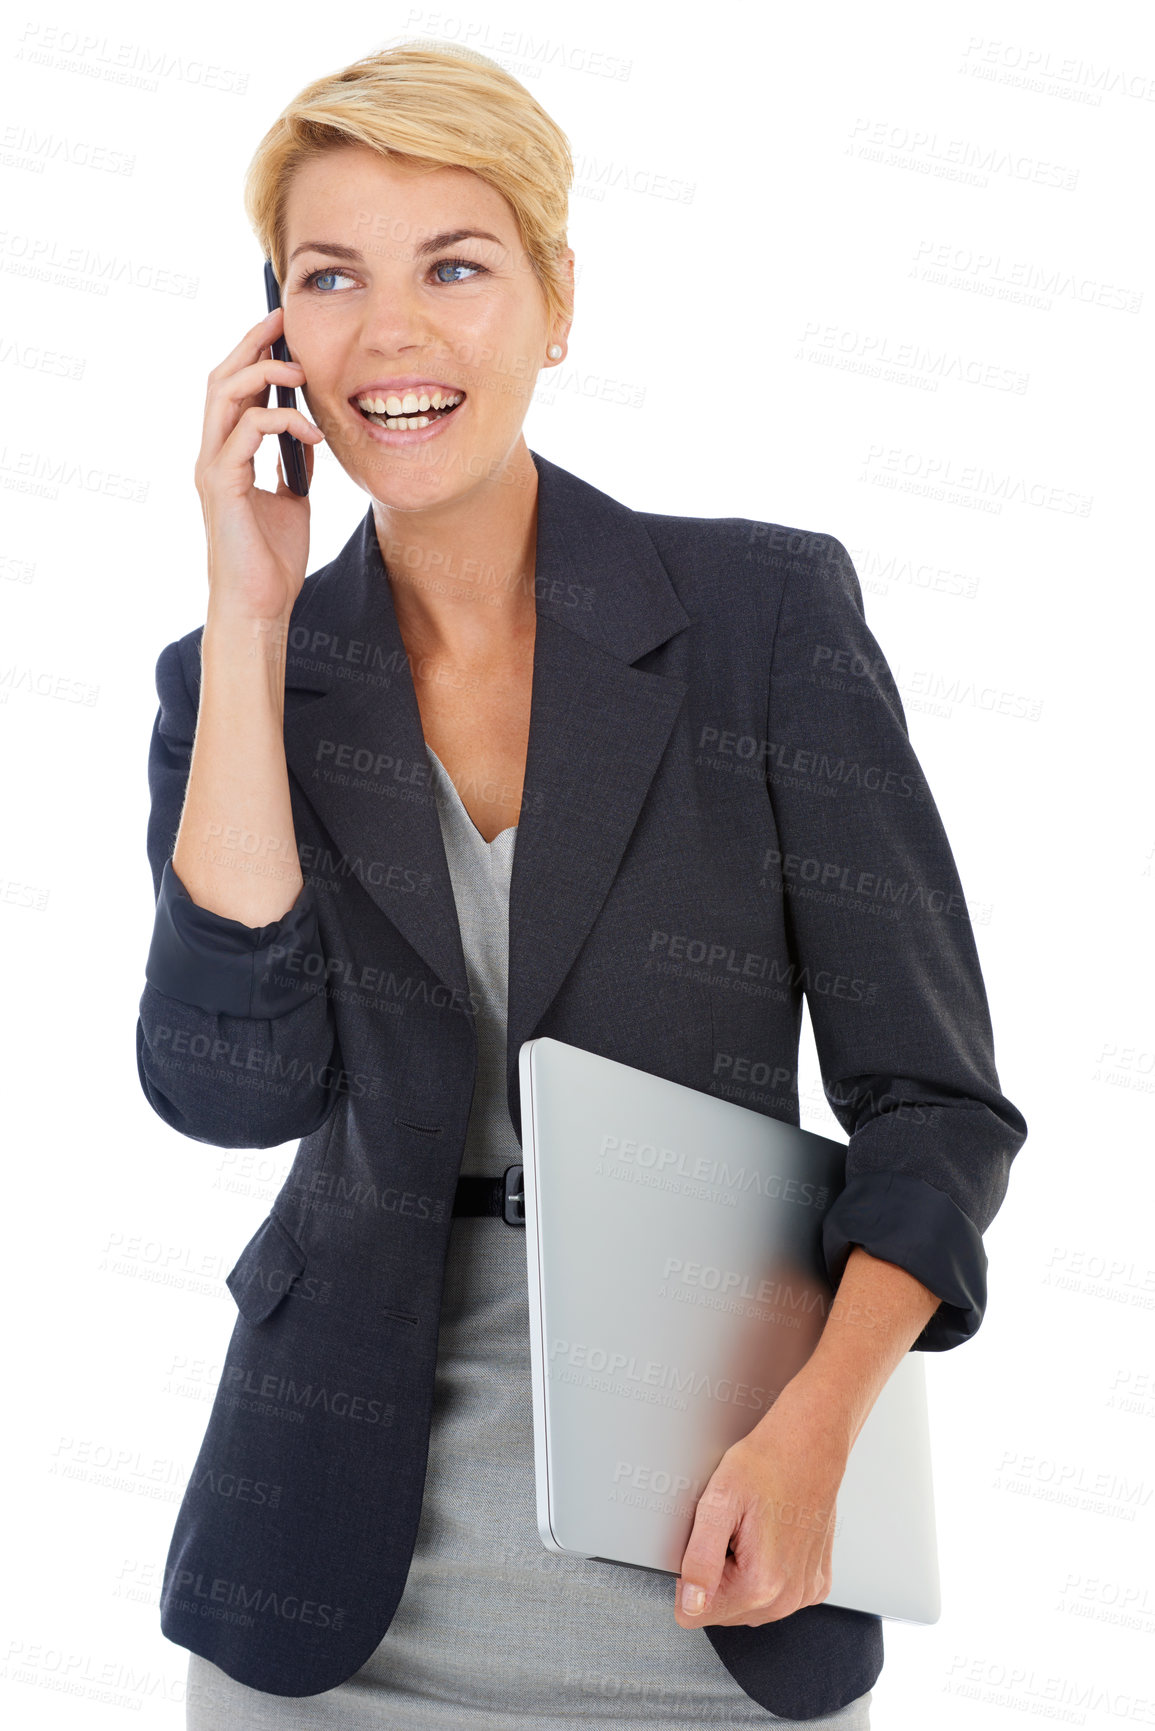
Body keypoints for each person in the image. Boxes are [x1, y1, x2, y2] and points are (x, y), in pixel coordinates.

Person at [135, 41, 1027, 1730]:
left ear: (555, 304)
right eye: (333, 279)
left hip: (715, 1557)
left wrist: (820, 1428)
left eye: (455, 267)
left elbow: (937, 1108)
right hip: (323, 1600)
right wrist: (252, 621)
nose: (391, 332)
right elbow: (227, 1089)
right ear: (277, 340)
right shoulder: (236, 683)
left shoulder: (760, 621)